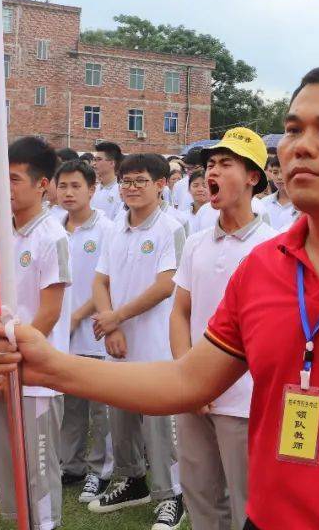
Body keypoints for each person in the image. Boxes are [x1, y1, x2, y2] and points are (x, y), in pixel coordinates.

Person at [0, 65, 319, 529]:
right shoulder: (263, 267)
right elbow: (186, 380)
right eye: (294, 130)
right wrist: (48, 365)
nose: (301, 145)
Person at [170, 128, 276, 530]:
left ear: (253, 177)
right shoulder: (196, 243)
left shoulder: (271, 247)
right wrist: (188, 376)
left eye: (225, 163)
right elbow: (180, 312)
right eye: (210, 164)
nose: (212, 170)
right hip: (196, 395)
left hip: (246, 401)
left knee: (248, 504)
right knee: (199, 494)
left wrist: (212, 380)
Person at [87, 153, 187, 529]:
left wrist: (117, 317)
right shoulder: (116, 226)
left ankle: (171, 493)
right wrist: (111, 327)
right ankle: (131, 480)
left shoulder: (171, 227)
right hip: (119, 341)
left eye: (140, 181)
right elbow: (100, 280)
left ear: (161, 184)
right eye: (126, 181)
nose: (130, 188)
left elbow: (166, 285)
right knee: (121, 414)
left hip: (156, 342)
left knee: (159, 422)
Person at [0, 136, 71, 530]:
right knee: (6, 462)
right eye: (4, 178)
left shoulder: (52, 236)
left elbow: (49, 312)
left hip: (36, 376)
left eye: (15, 179)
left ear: (41, 185)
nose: (7, 187)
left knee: (38, 466)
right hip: (2, 368)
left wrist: (10, 364)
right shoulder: (2, 235)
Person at [54, 159, 116, 503]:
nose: (68, 193)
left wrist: (78, 315)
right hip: (60, 331)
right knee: (69, 403)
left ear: (92, 190)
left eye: (76, 186)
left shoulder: (106, 229)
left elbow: (106, 282)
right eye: (62, 186)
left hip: (91, 328)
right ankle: (72, 464)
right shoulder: (52, 226)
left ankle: (98, 470)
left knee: (99, 406)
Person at [260, 155, 300, 232]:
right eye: (275, 172)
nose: (279, 177)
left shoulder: (303, 206)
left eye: (284, 172)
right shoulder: (263, 203)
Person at [90, 142, 124, 220]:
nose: (94, 164)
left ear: (112, 163)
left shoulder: (122, 191)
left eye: (98, 159)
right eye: (94, 160)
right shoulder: (93, 189)